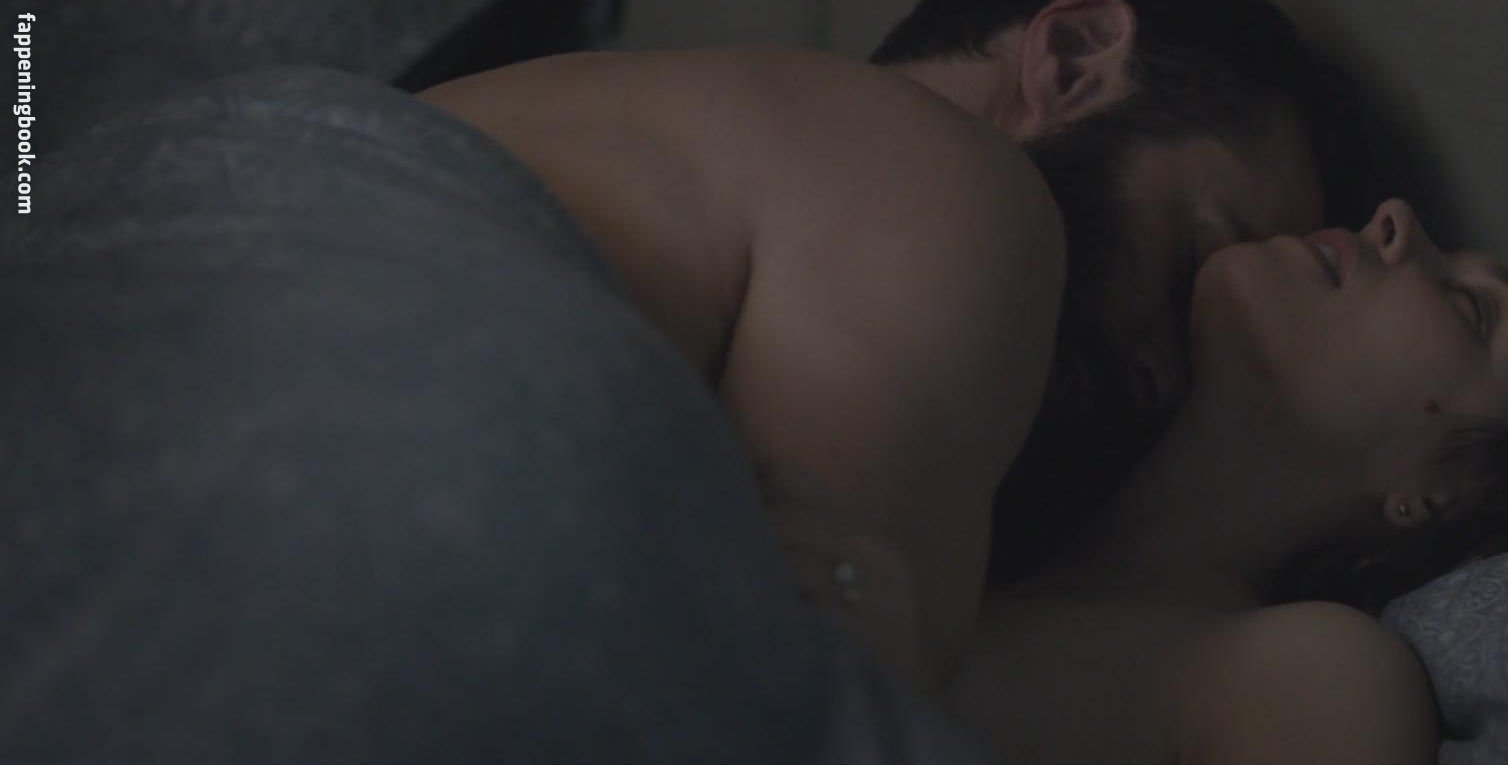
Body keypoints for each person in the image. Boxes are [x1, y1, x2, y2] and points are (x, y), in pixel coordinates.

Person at [415, 0, 1354, 690]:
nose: (1166, 376)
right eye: (1188, 266)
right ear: (1074, 59)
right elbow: (817, 687)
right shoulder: (939, 171)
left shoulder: (613, 130)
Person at [942, 200, 1508, 764]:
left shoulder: (1308, 674)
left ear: (1443, 486)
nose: (1395, 217)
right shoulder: (986, 471)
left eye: (1471, 308)